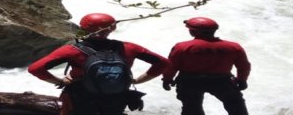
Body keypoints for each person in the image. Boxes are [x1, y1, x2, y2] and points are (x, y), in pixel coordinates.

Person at [28, 13, 169, 115]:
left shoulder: (71, 50)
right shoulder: (129, 47)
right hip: (116, 96)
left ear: (83, 28)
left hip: (80, 95)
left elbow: (35, 68)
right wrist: (137, 80)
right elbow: (163, 63)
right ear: (111, 28)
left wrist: (61, 81)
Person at [163, 17, 250, 115]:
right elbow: (244, 66)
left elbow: (171, 65)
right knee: (236, 105)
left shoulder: (182, 47)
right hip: (222, 81)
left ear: (193, 31)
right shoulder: (234, 47)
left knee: (192, 108)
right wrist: (242, 80)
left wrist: (167, 79)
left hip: (190, 81)